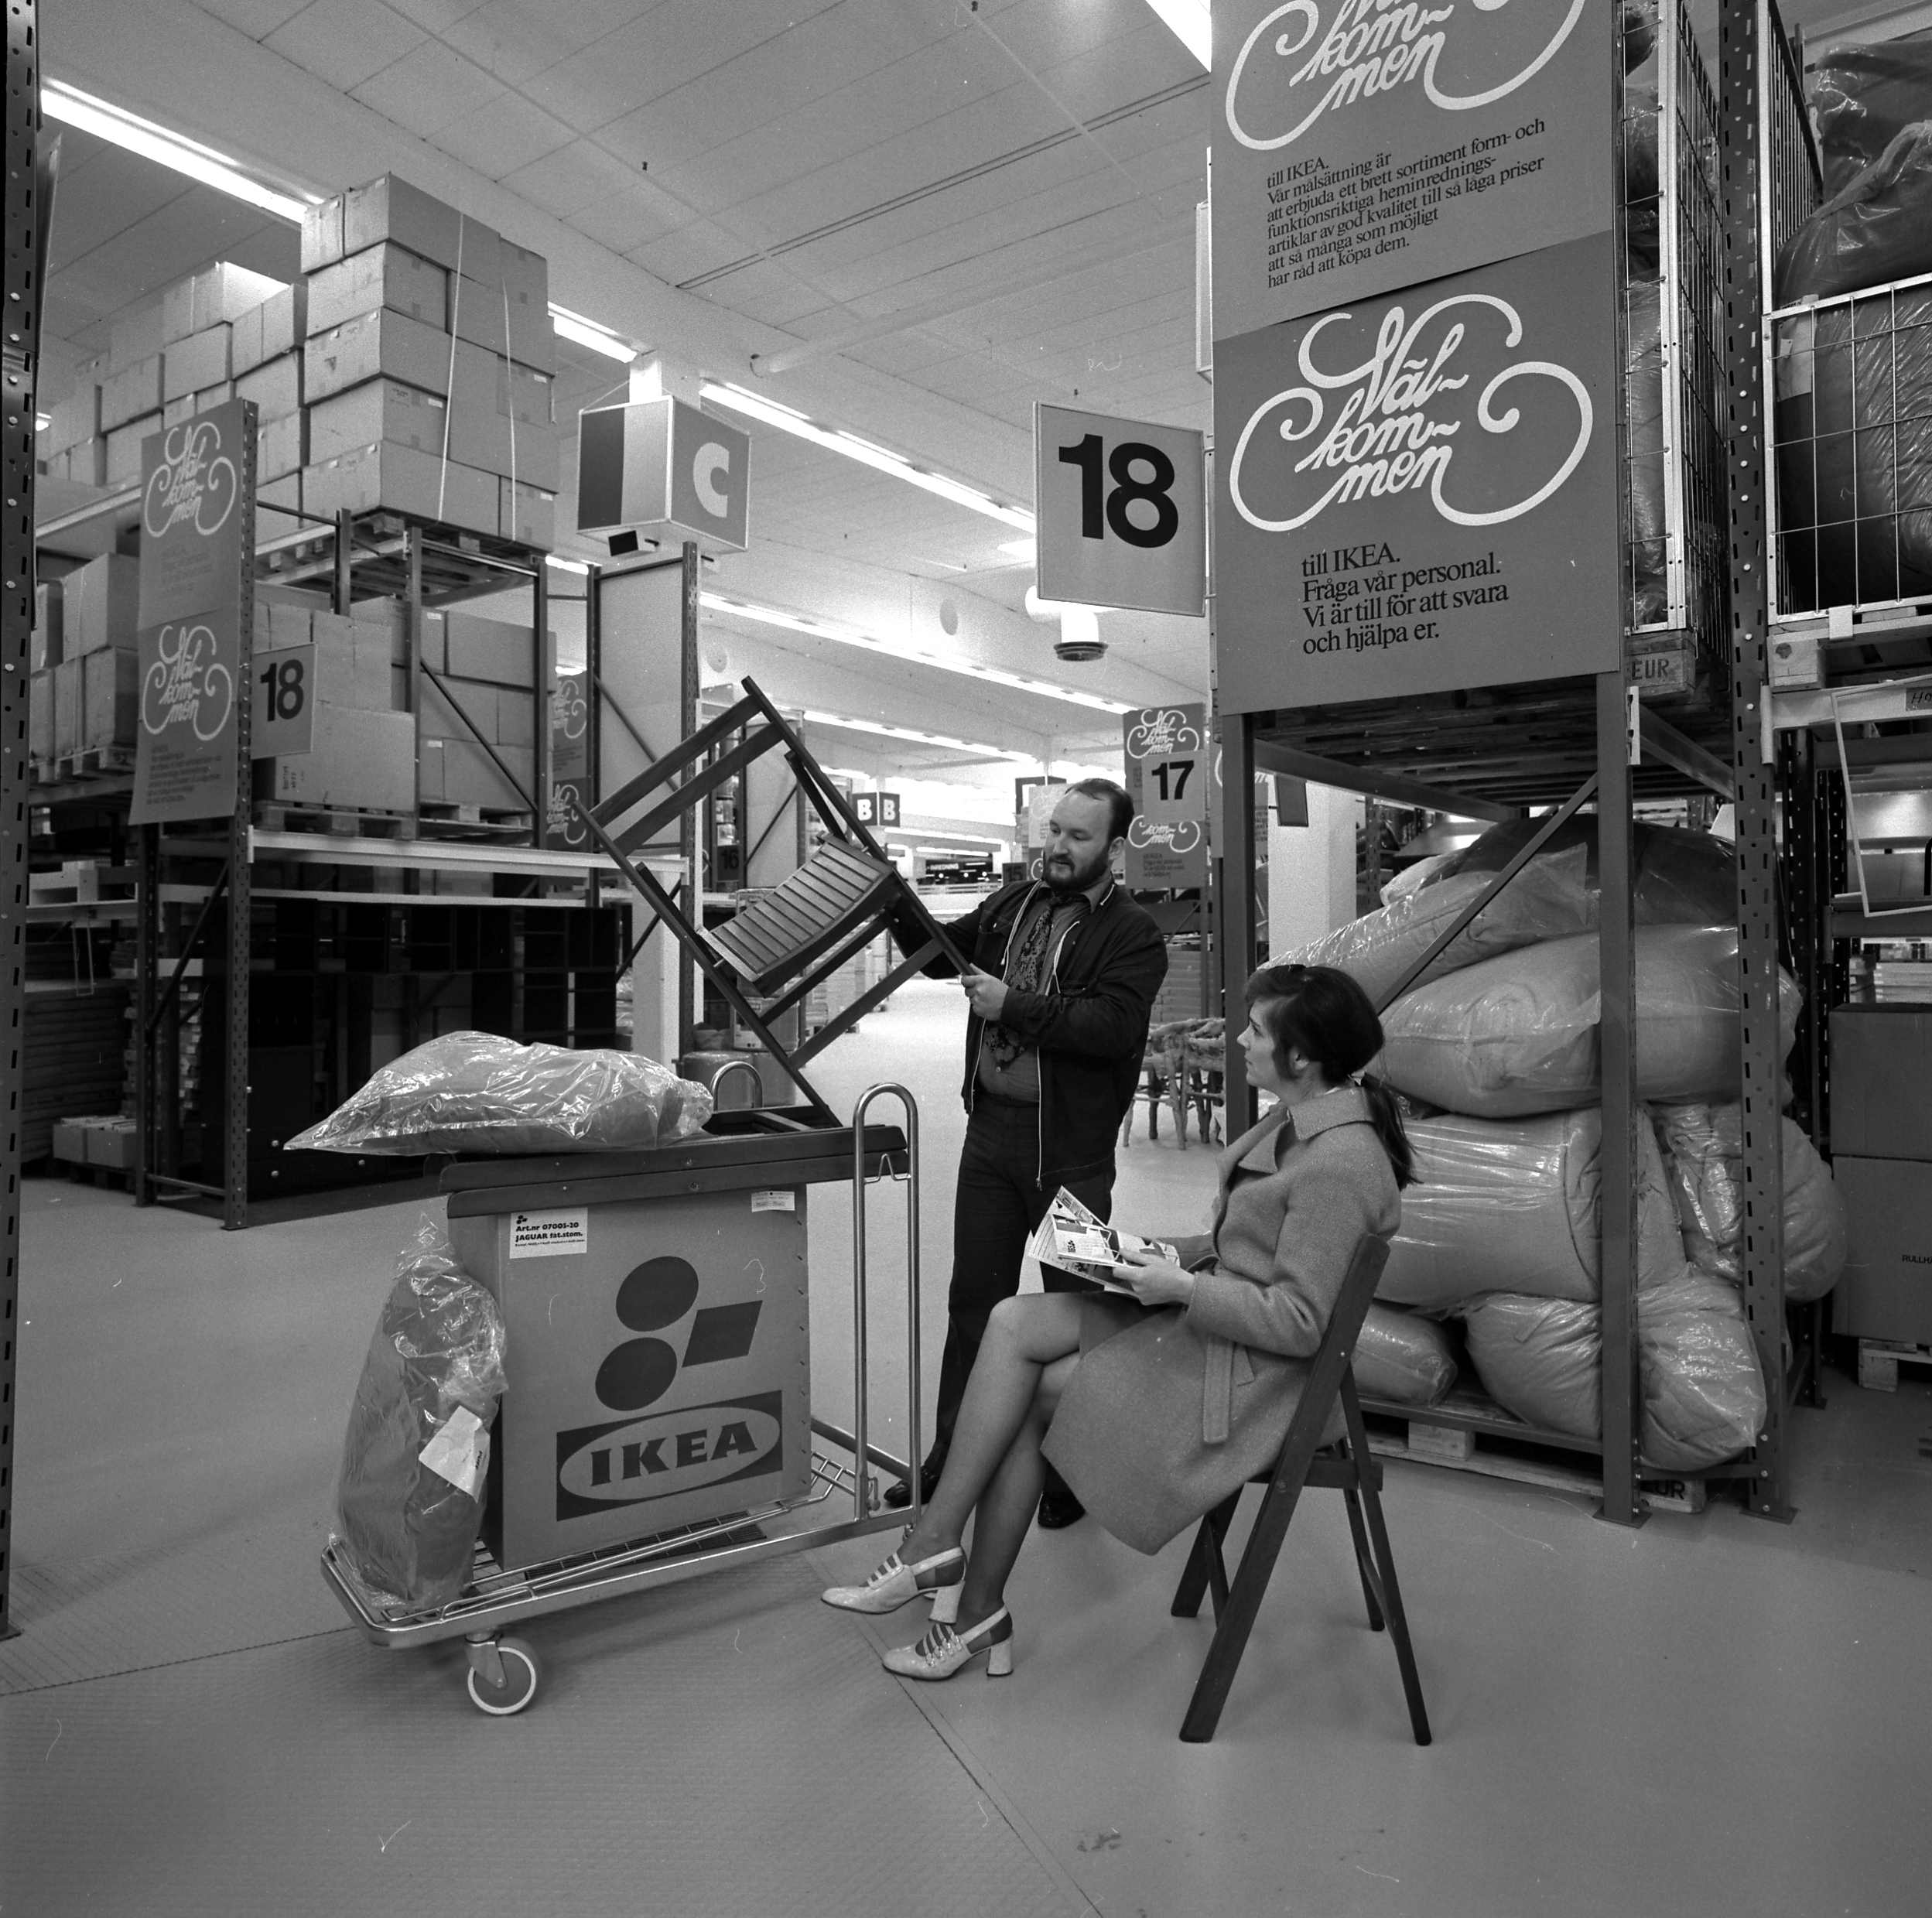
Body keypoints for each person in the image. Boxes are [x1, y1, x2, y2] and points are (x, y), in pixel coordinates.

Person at [823, 963, 1412, 1681]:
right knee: (1012, 1321)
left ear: (1301, 1055)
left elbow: (1298, 1321)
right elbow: (1257, 1246)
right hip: (1220, 1334)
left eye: (1256, 1030)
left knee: (1034, 1397)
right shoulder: (1300, 1120)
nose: (1238, 1038)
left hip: (1258, 1378)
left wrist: (1179, 1290)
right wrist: (1156, 1252)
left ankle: (966, 1592)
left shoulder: (1339, 1163)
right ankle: (940, 1548)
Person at [885, 778, 1167, 1530]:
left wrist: (1012, 1006)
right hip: (990, 1136)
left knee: (1077, 1315)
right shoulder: (1013, 906)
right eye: (1055, 831)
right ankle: (950, 1456)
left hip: (1068, 1151)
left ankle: (1071, 1474)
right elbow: (938, 956)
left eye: (1077, 837)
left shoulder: (1132, 933)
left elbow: (1109, 1026)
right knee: (971, 1304)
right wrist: (890, 898)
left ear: (1112, 848)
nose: (1058, 848)